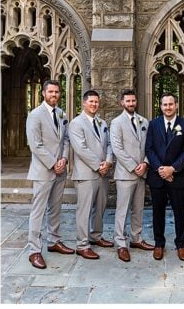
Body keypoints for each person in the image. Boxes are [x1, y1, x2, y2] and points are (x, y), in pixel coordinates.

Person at [25, 79, 73, 270]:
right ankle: (34, 250)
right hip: (43, 171)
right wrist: (54, 163)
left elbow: (66, 140)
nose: (54, 95)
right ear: (43, 93)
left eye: (57, 92)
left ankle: (54, 241)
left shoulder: (61, 114)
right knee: (38, 211)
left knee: (55, 208)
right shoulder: (35, 115)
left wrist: (64, 159)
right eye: (50, 92)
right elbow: (35, 145)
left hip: (60, 170)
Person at [144, 92, 184, 261]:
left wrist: (172, 169)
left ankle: (181, 244)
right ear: (160, 106)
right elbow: (149, 149)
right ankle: (159, 244)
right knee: (157, 212)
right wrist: (161, 169)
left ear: (176, 105)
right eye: (165, 104)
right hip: (157, 176)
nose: (168, 107)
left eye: (171, 104)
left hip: (177, 176)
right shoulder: (153, 124)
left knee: (180, 212)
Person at [109, 89, 155, 262]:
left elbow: (149, 146)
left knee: (139, 209)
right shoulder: (116, 123)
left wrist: (145, 163)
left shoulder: (144, 121)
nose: (131, 104)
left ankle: (136, 239)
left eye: (133, 101)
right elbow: (117, 148)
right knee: (122, 210)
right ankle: (121, 243)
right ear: (122, 103)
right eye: (127, 101)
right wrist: (133, 166)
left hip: (142, 173)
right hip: (125, 173)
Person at [68, 90, 113, 260]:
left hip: (103, 173)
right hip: (86, 174)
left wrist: (108, 162)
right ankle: (82, 245)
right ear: (84, 103)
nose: (94, 104)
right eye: (91, 102)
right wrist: (98, 165)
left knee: (100, 207)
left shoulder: (102, 123)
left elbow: (109, 144)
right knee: (84, 210)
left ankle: (96, 236)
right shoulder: (76, 123)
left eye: (96, 102)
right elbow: (81, 149)